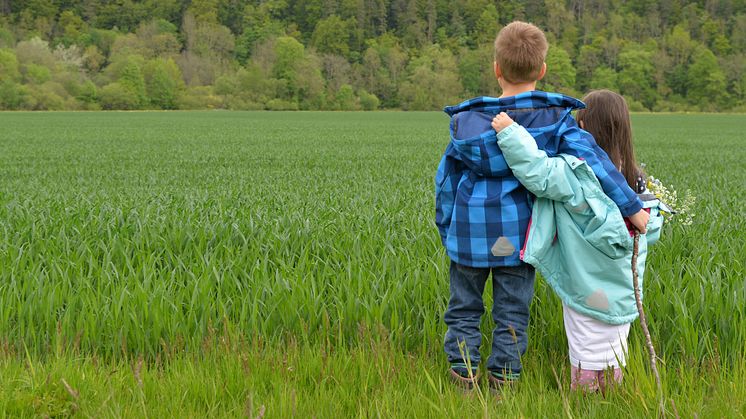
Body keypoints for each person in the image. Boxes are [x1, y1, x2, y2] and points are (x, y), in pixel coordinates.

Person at [435, 21, 650, 389]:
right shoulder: (554, 120)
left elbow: (446, 182)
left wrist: (447, 227)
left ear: (496, 69)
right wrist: (631, 206)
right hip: (521, 236)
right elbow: (595, 163)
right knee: (512, 311)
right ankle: (504, 379)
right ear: (543, 70)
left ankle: (463, 374)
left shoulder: (468, 124)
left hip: (468, 234)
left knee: (464, 308)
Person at [490, 90, 664, 393]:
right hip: (623, 288)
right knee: (613, 347)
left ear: (581, 127)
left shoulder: (577, 173)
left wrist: (510, 132)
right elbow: (647, 229)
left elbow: (538, 171)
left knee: (585, 344)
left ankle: (583, 399)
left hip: (585, 283)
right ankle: (613, 400)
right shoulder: (635, 181)